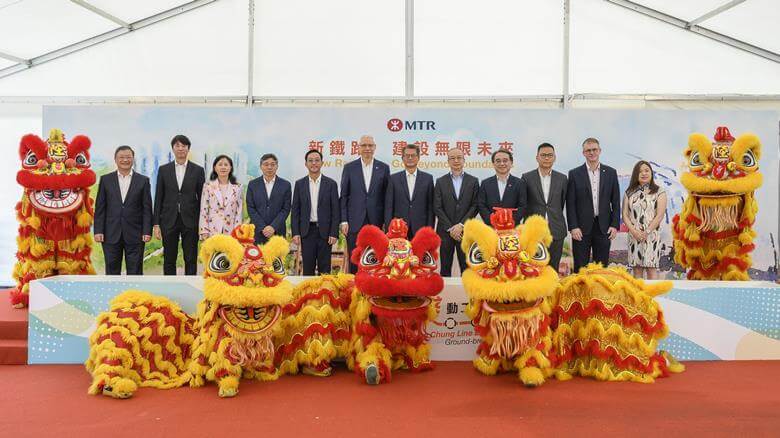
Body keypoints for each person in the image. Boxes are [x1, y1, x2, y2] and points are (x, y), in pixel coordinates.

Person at [94, 145, 152, 275]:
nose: (125, 160)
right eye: (121, 157)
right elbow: (100, 207)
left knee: (135, 270)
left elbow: (147, 208)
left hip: (136, 234)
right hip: (110, 233)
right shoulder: (106, 180)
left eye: (128, 157)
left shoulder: (143, 181)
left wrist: (147, 231)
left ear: (133, 159)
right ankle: (114, 295)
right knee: (112, 270)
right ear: (115, 159)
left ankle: (135, 295)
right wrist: (98, 230)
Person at [153, 135, 205, 275]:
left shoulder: (198, 170)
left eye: (184, 146)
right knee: (169, 259)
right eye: (177, 146)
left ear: (188, 148)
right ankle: (169, 290)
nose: (180, 148)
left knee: (190, 258)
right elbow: (159, 197)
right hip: (169, 219)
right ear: (173, 149)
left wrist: (202, 223)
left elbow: (202, 198)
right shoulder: (164, 170)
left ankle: (191, 288)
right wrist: (156, 223)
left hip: (191, 220)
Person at [566, 137, 621, 273]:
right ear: (583, 153)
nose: (591, 153)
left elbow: (615, 201)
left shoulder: (611, 173)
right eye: (588, 150)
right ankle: (580, 294)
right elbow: (570, 203)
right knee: (580, 268)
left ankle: (599, 294)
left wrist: (614, 225)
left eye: (594, 150)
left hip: (604, 228)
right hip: (581, 229)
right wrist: (573, 227)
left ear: (599, 151)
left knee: (601, 269)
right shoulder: (574, 174)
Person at [339, 135, 390, 273]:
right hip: (354, 221)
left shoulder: (384, 168)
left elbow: (387, 198)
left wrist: (386, 221)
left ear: (374, 148)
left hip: (376, 221)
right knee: (355, 257)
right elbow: (343, 196)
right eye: (364, 145)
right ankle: (354, 290)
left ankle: (373, 290)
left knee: (375, 257)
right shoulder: (349, 168)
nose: (367, 148)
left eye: (370, 145)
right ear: (358, 148)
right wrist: (344, 220)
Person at [291, 150, 340, 275]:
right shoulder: (299, 184)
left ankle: (324, 294)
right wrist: (296, 232)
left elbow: (336, 210)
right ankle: (310, 294)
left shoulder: (331, 184)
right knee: (308, 268)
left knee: (325, 270)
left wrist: (334, 232)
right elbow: (295, 210)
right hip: (307, 232)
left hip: (325, 233)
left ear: (322, 163)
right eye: (310, 160)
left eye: (317, 160)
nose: (314, 163)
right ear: (306, 164)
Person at [521, 143, 567, 273]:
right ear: (537, 157)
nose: (546, 158)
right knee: (533, 268)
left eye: (550, 155)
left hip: (556, 230)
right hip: (533, 231)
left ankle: (551, 293)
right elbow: (524, 203)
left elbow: (561, 203)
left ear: (554, 157)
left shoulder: (562, 178)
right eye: (543, 155)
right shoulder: (527, 177)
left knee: (553, 268)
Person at [434, 147, 479, 277]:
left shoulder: (473, 181)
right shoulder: (440, 181)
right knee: (445, 269)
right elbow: (437, 207)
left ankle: (467, 297)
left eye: (459, 157)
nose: (456, 161)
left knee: (466, 268)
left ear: (464, 160)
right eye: (452, 158)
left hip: (465, 231)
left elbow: (475, 206)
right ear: (448, 161)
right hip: (445, 232)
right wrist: (451, 228)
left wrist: (460, 225)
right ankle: (445, 297)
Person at [622, 161, 667, 279]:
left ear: (651, 173)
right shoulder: (629, 192)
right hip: (634, 235)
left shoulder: (659, 191)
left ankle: (652, 297)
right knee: (637, 270)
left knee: (651, 269)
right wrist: (634, 231)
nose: (644, 173)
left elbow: (660, 215)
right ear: (635, 174)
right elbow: (625, 215)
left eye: (647, 170)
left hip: (651, 236)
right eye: (640, 171)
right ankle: (638, 297)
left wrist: (647, 232)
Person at [384, 144, 434, 238]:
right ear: (402, 158)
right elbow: (389, 207)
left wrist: (429, 229)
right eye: (407, 155)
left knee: (419, 253)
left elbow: (430, 207)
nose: (410, 158)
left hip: (421, 228)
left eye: (413, 155)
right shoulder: (393, 179)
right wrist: (389, 228)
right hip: (398, 229)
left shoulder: (428, 179)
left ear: (418, 157)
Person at [246, 153, 291, 244]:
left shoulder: (285, 185)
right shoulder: (253, 184)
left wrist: (273, 227)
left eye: (272, 164)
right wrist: (262, 227)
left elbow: (285, 209)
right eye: (266, 164)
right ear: (261, 166)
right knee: (255, 257)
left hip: (277, 232)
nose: (269, 167)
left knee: (276, 258)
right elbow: (251, 208)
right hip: (257, 232)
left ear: (277, 166)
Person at [199, 155, 243, 240]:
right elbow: (204, 210)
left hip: (231, 231)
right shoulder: (208, 186)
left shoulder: (237, 187)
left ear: (230, 168)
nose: (223, 167)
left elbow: (239, 211)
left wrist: (237, 232)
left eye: (226, 165)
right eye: (220, 164)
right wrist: (204, 231)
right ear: (215, 168)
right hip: (212, 231)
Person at [478, 149, 526, 224]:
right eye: (498, 161)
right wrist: (492, 220)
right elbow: (481, 205)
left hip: (512, 228)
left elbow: (522, 206)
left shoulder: (520, 183)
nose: (502, 163)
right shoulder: (485, 183)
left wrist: (510, 221)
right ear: (493, 164)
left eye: (505, 160)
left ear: (511, 163)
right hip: (491, 229)